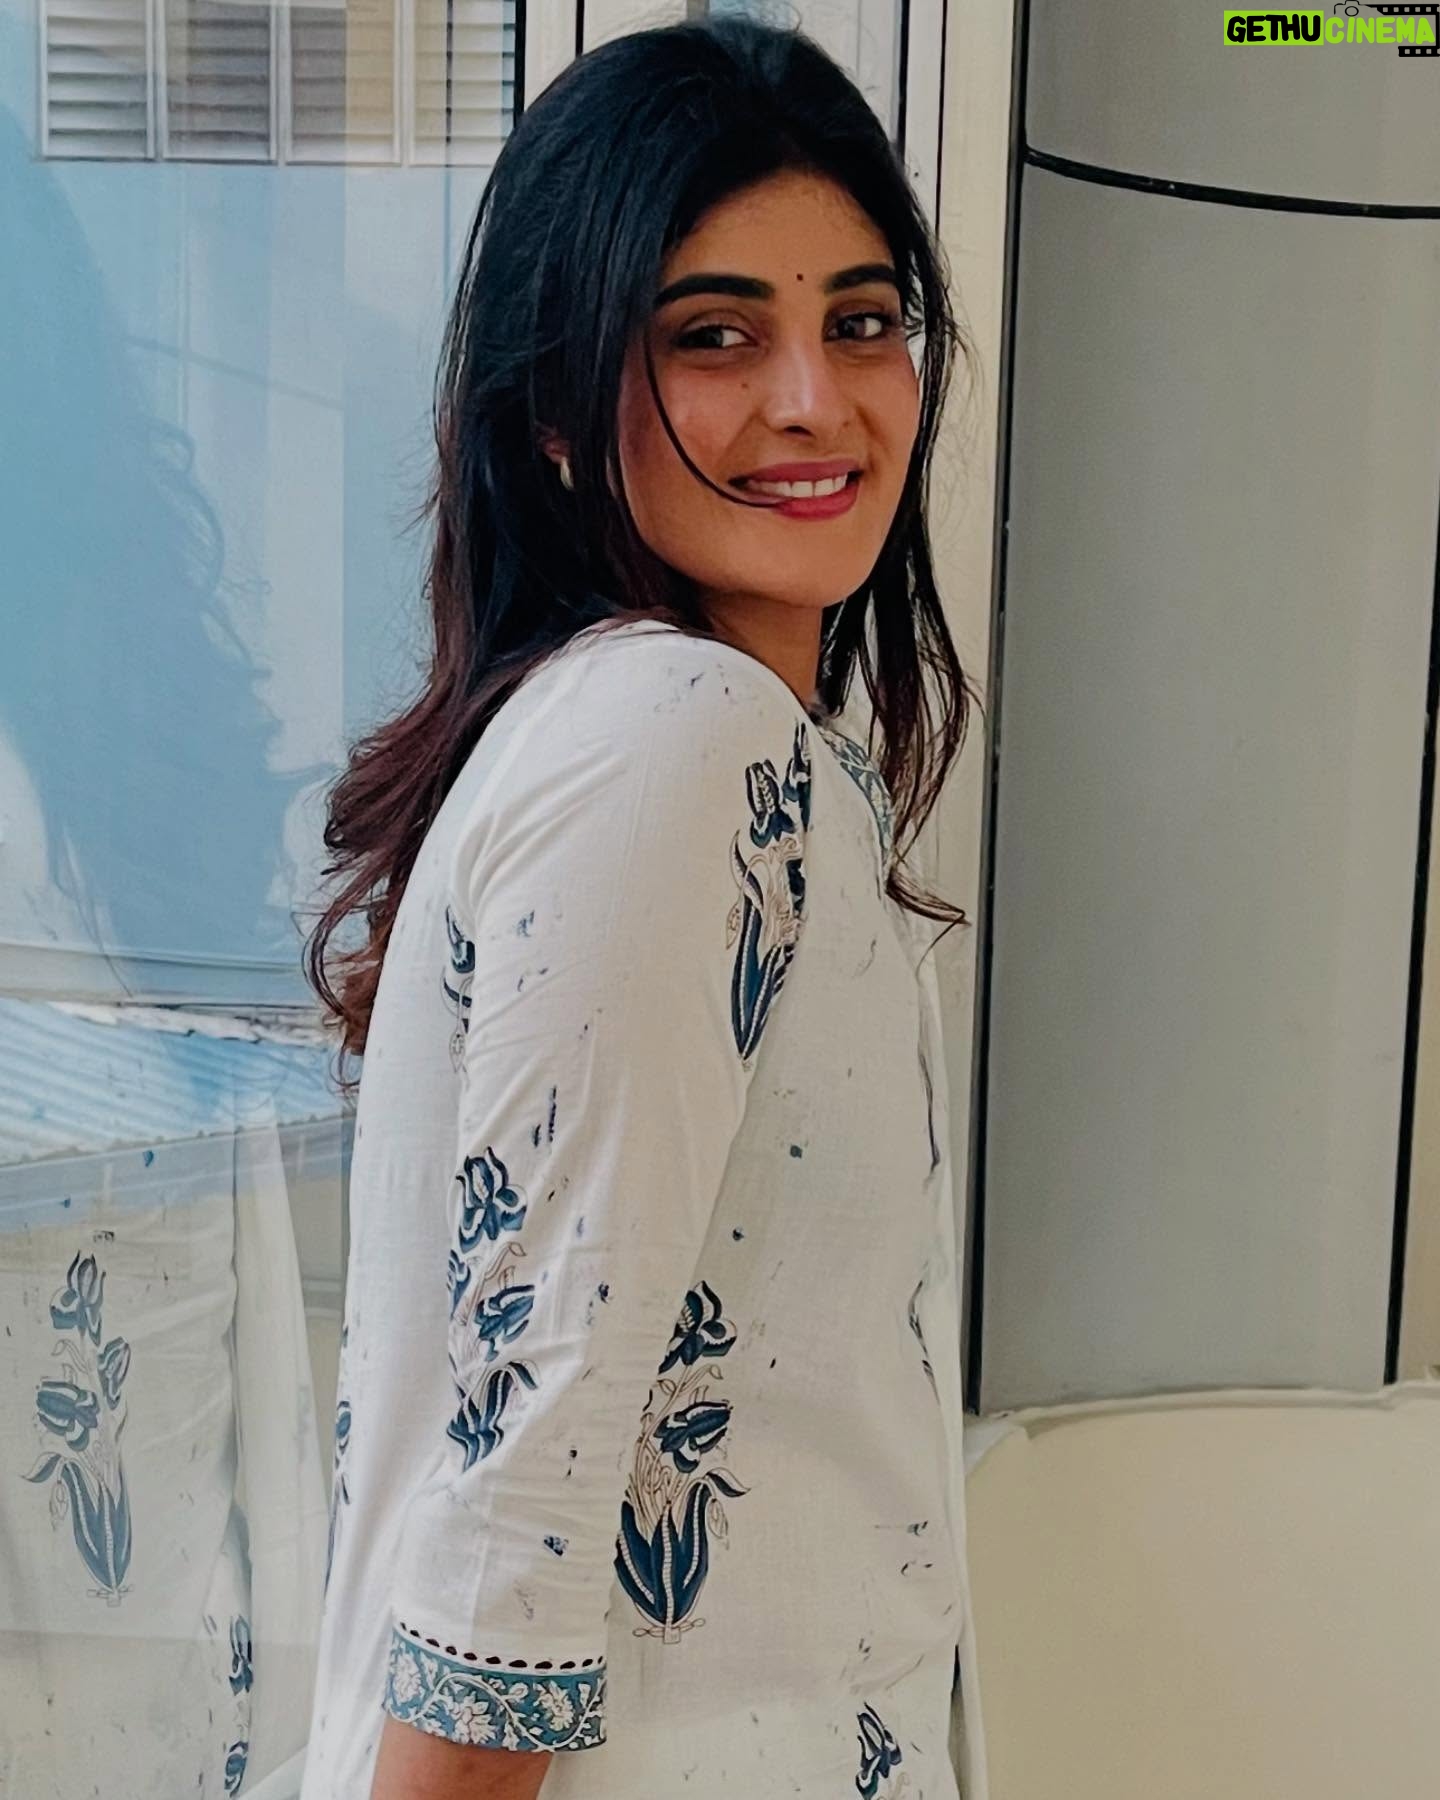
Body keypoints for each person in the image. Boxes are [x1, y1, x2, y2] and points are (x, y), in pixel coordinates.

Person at [299, 16, 989, 1799]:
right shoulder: (673, 739)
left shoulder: (707, 741)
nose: (813, 400)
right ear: (552, 413)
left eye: (863, 321)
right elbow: (522, 1492)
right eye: (713, 335)